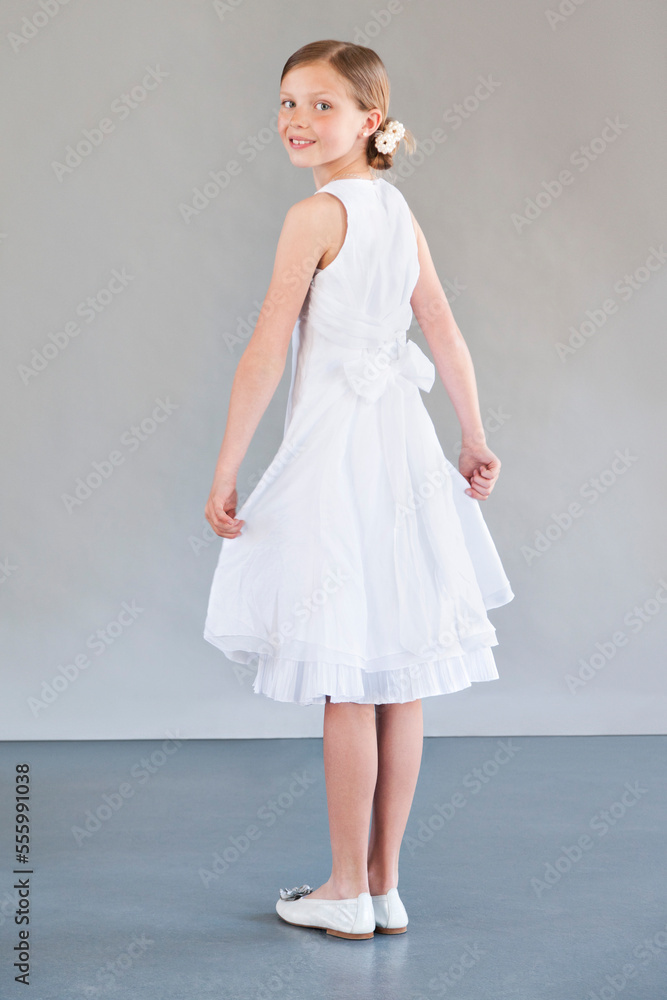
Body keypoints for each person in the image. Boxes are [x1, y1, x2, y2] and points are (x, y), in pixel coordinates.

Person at [203, 39, 514, 940]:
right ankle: (383, 886)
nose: (296, 120)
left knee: (348, 671)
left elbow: (266, 347)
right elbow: (441, 326)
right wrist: (471, 434)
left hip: (339, 456)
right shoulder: (395, 208)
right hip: (402, 452)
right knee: (399, 669)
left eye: (321, 105)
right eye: (287, 102)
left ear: (369, 120)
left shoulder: (315, 216)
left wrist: (227, 466)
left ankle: (345, 888)